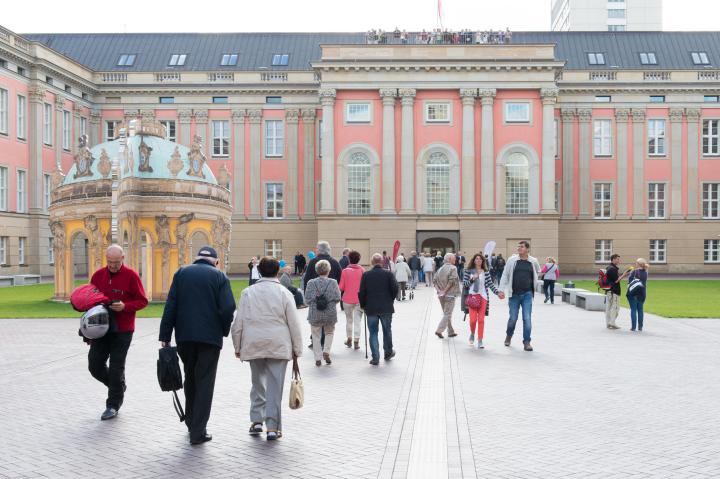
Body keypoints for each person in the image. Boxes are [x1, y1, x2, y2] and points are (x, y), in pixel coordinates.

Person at [159, 246, 236, 445]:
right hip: (210, 339)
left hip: (184, 337)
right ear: (216, 262)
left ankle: (191, 421)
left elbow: (171, 306)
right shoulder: (220, 277)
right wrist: (223, 329)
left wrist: (165, 336)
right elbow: (228, 307)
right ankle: (198, 431)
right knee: (205, 382)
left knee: (190, 378)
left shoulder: (182, 273)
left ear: (197, 259)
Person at [232, 257, 303, 441]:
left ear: (260, 271)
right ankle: (272, 426)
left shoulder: (248, 292)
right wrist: (297, 348)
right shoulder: (284, 292)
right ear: (277, 271)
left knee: (257, 382)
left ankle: (256, 420)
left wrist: (237, 345)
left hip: (254, 342)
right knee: (275, 386)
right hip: (278, 343)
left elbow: (238, 322)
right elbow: (294, 323)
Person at [87, 244, 148, 421]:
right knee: (94, 365)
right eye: (109, 262)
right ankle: (118, 387)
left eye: (116, 262)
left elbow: (142, 301)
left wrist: (125, 306)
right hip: (101, 328)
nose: (112, 265)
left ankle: (112, 405)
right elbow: (90, 299)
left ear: (123, 258)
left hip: (123, 330)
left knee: (116, 367)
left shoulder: (131, 276)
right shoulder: (98, 275)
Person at [499, 241, 541, 352]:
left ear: (527, 249)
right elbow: (505, 274)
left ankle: (527, 342)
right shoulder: (512, 260)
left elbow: (538, 271)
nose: (519, 248)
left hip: (527, 294)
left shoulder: (533, 261)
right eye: (518, 246)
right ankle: (509, 335)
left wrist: (535, 284)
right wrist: (501, 290)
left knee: (527, 318)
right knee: (513, 318)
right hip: (514, 295)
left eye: (521, 247)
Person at [358, 253, 399, 366]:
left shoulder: (366, 275)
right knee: (387, 331)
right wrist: (390, 299)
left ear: (372, 262)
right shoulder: (388, 274)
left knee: (373, 333)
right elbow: (395, 288)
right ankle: (388, 352)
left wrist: (363, 305)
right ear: (381, 262)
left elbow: (362, 292)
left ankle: (375, 357)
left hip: (371, 308)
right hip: (386, 307)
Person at [303, 241, 342, 349]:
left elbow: (306, 280)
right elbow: (340, 278)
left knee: (316, 319)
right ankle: (324, 341)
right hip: (330, 298)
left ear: (319, 250)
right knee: (328, 319)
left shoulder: (312, 262)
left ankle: (315, 340)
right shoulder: (334, 262)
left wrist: (308, 296)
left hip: (315, 298)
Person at [462, 253, 504, 349]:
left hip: (483, 297)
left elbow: (490, 284)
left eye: (480, 259)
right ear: (474, 260)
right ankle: (472, 333)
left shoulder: (485, 272)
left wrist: (498, 293)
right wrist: (472, 279)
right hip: (472, 297)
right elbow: (465, 284)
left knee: (481, 320)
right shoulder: (468, 271)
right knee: (473, 320)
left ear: (482, 261)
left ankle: (480, 340)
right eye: (476, 259)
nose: (478, 260)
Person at [304, 260, 341, 366]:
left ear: (317, 270)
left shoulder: (311, 283)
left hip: (315, 313)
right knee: (329, 333)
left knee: (316, 335)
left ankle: (317, 358)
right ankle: (326, 351)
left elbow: (307, 300)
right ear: (328, 270)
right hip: (330, 313)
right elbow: (338, 298)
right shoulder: (333, 282)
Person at [338, 251, 364, 350]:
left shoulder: (344, 271)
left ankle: (349, 338)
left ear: (349, 259)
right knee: (357, 321)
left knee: (349, 320)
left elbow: (341, 287)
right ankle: (356, 340)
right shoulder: (362, 270)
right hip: (359, 299)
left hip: (347, 299)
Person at [434, 253, 461, 339]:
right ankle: (439, 330)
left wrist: (439, 291)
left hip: (441, 295)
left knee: (446, 314)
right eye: (454, 258)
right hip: (450, 294)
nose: (455, 260)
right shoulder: (453, 268)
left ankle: (451, 332)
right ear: (449, 259)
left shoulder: (440, 269)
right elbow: (452, 281)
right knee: (447, 314)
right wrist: (445, 291)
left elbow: (434, 281)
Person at [605, 254, 631, 330]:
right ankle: (612, 323)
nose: (619, 261)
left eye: (619, 259)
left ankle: (608, 323)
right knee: (615, 308)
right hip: (614, 291)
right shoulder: (612, 269)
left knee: (609, 308)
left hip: (609, 291)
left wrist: (623, 274)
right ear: (613, 259)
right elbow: (616, 281)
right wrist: (624, 275)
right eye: (617, 259)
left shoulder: (608, 267)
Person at [627, 258, 649, 331]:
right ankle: (640, 327)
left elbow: (629, 281)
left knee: (633, 309)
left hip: (633, 293)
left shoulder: (634, 271)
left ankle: (633, 327)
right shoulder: (645, 272)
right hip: (642, 293)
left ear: (638, 264)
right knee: (640, 310)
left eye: (636, 263)